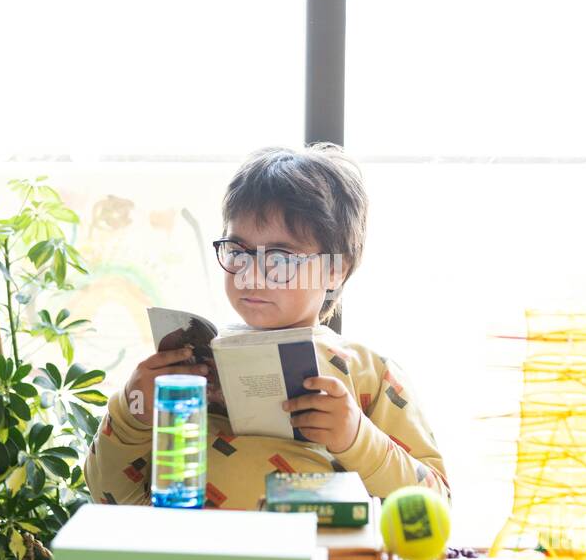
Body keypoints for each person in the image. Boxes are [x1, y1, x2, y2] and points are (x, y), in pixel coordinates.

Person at [83, 143, 450, 510]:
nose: (252, 275)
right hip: (190, 559)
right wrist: (131, 414)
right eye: (239, 251)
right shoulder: (191, 366)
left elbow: (434, 505)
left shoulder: (370, 373)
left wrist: (357, 438)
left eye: (280, 258)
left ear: (336, 268)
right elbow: (110, 497)